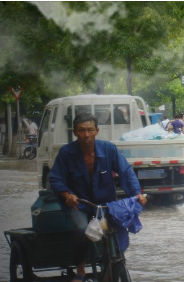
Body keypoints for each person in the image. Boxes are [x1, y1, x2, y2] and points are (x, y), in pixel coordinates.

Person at [49, 112, 147, 282]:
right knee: (81, 229)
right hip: (78, 204)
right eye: (81, 131)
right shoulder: (66, 153)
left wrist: (137, 194)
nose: (86, 135)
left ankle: (110, 269)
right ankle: (80, 270)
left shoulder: (109, 149)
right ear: (75, 132)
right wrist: (67, 195)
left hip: (104, 204)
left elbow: (125, 172)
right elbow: (55, 179)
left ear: (97, 131)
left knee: (116, 229)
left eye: (90, 130)